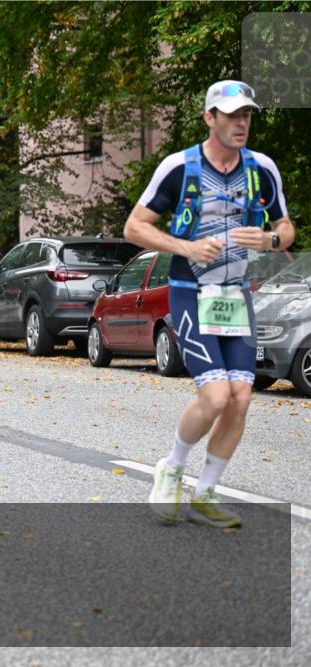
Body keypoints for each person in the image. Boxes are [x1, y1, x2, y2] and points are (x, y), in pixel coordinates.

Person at [124, 80, 295, 527]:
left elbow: (286, 228)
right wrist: (185, 248)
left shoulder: (262, 169)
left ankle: (205, 493)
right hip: (189, 293)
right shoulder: (178, 167)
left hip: (235, 294)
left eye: (247, 115)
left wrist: (270, 239)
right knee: (216, 394)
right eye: (232, 115)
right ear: (209, 118)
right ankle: (172, 467)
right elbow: (135, 227)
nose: (242, 123)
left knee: (240, 398)